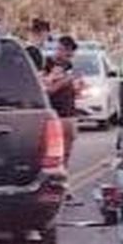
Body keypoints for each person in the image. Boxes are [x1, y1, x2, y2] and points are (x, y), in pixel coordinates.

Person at [43, 35, 82, 166]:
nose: (69, 56)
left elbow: (75, 89)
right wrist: (66, 80)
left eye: (71, 54)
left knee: (67, 151)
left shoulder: (69, 66)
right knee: (53, 154)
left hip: (69, 113)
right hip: (54, 114)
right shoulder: (47, 64)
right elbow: (47, 89)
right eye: (67, 52)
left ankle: (63, 172)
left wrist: (77, 87)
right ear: (61, 49)